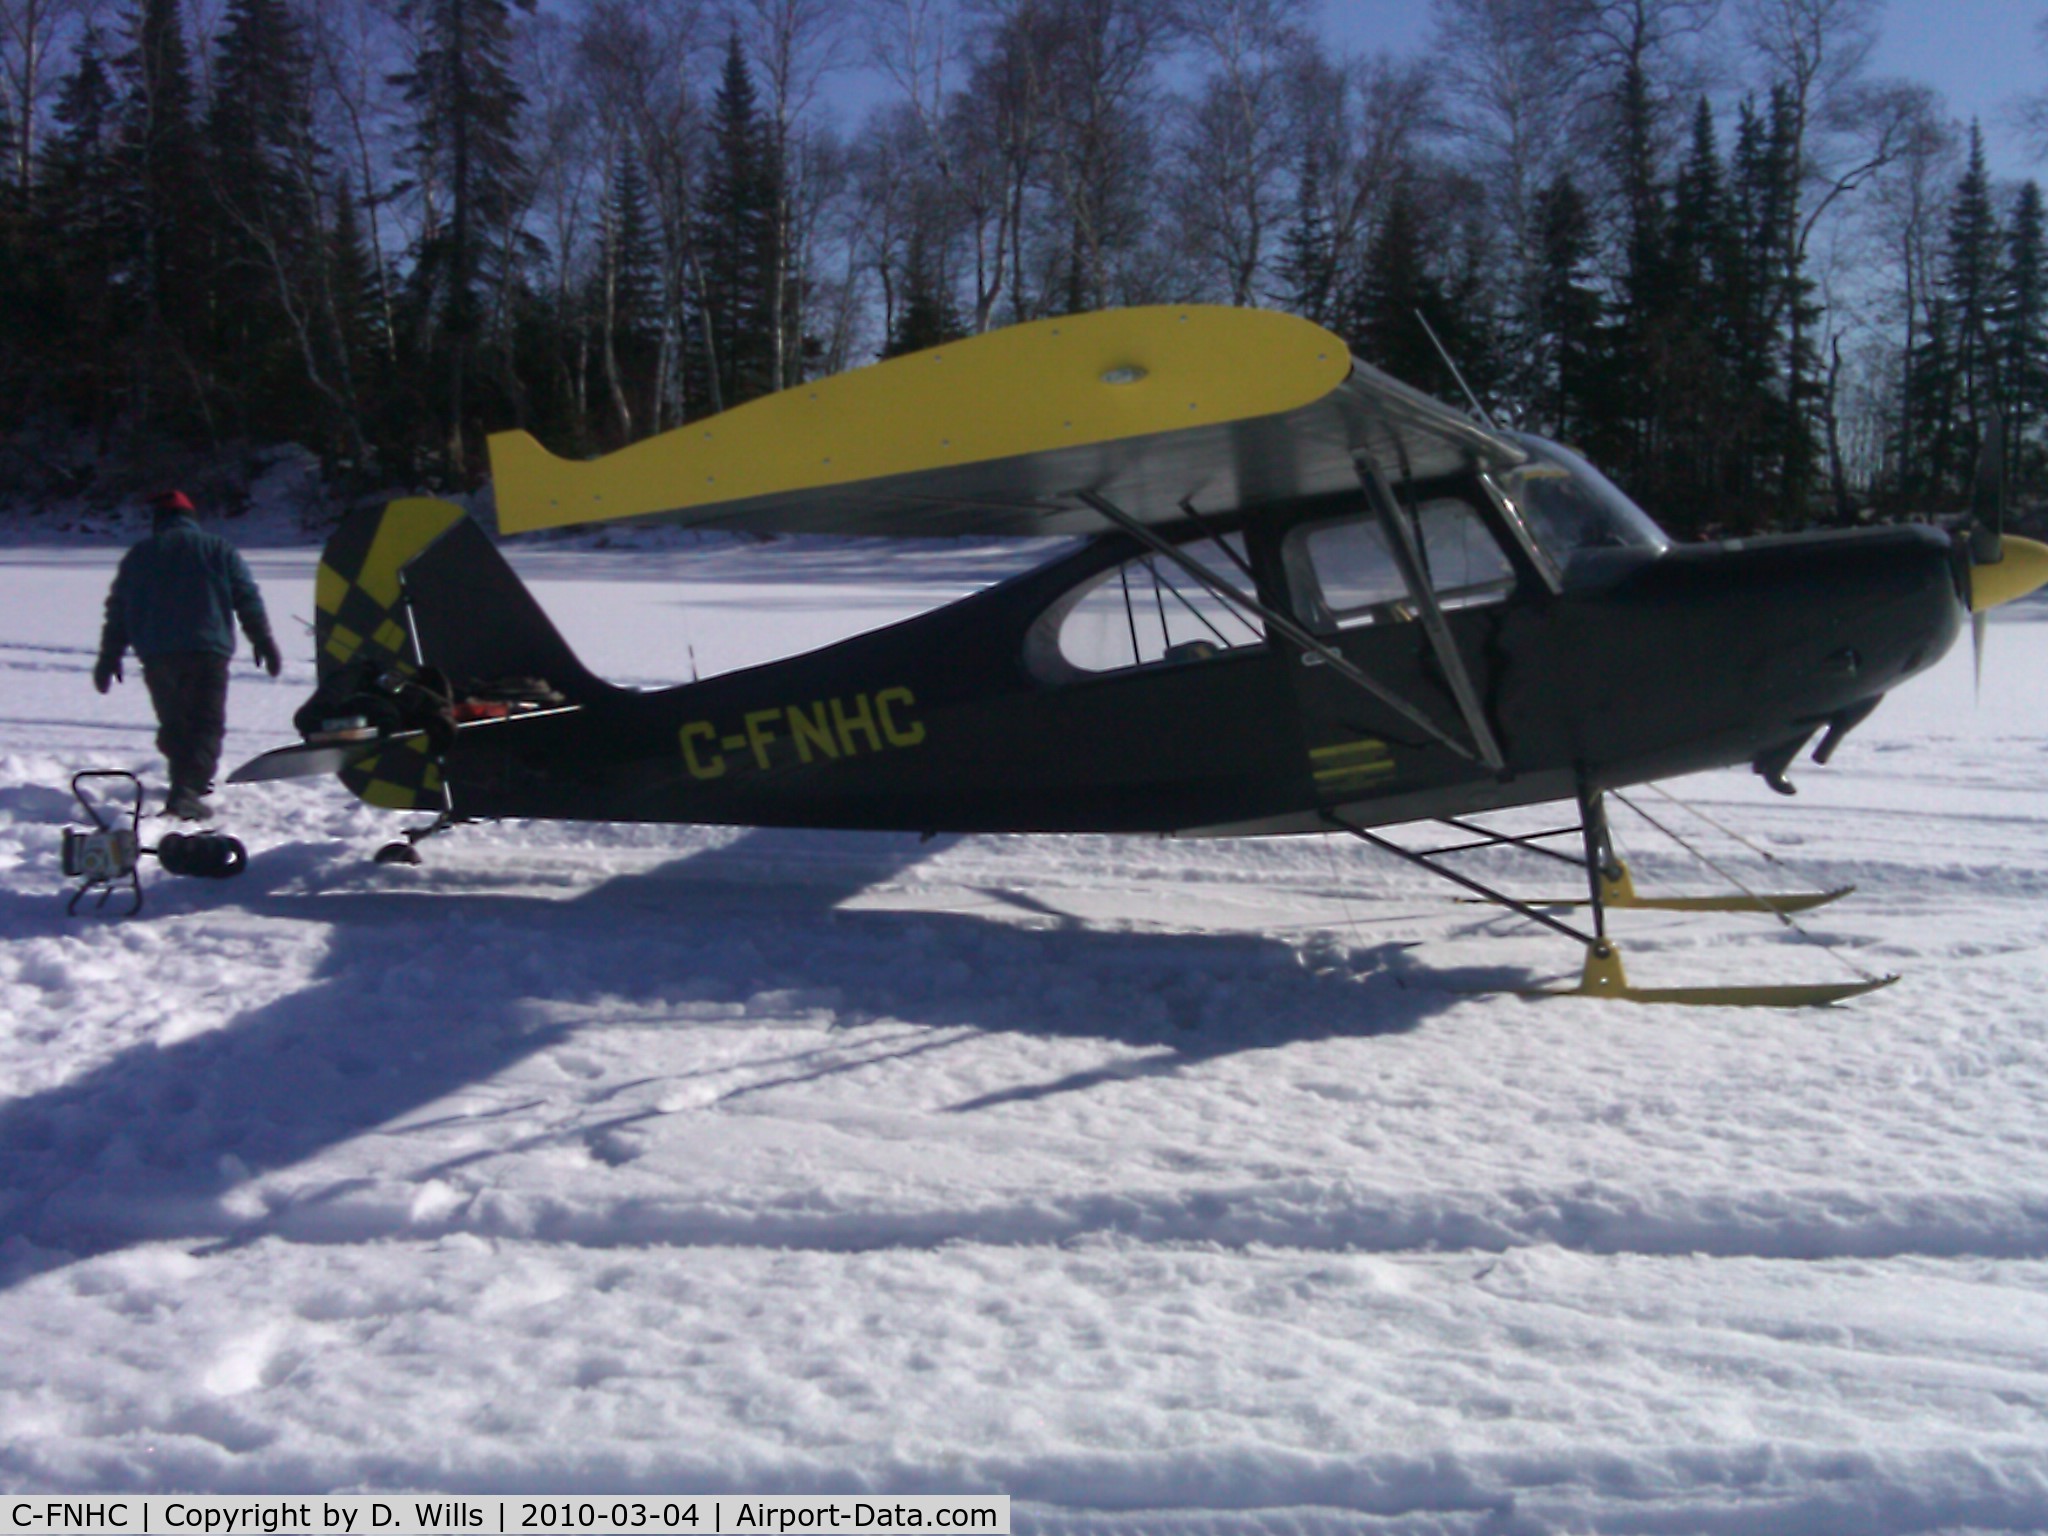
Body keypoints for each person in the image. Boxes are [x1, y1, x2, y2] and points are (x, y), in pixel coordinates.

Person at [94, 490, 283, 821]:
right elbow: (246, 597)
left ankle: (186, 781)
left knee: (175, 722)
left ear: (159, 521)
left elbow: (119, 609)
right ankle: (187, 790)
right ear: (192, 518)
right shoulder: (218, 549)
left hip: (157, 653)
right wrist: (263, 639)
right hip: (207, 650)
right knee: (205, 723)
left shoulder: (140, 555)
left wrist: (109, 656)